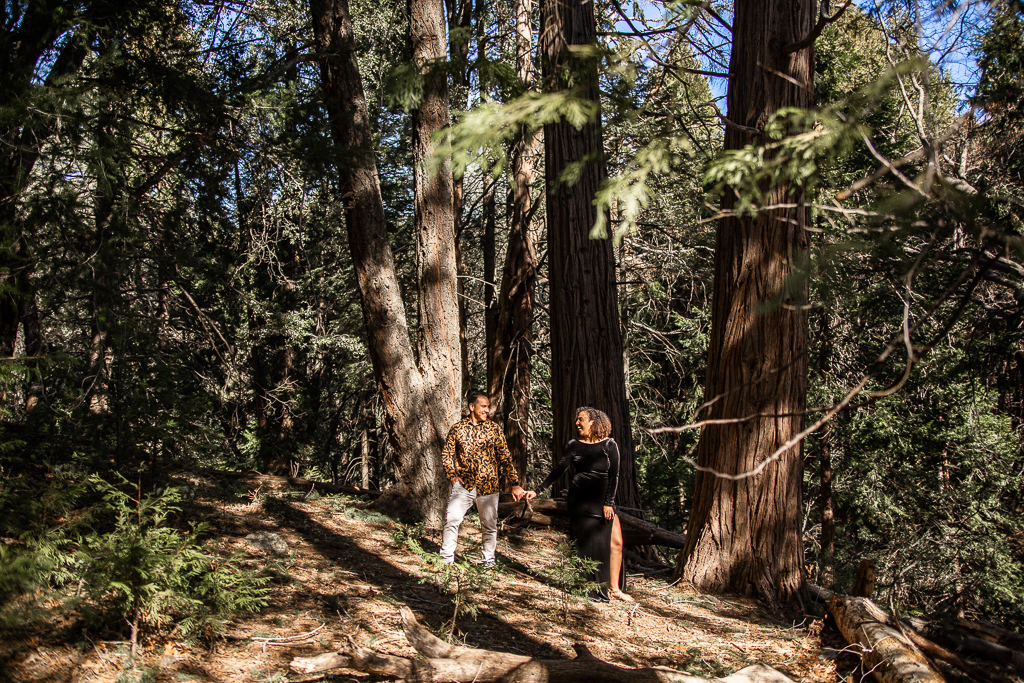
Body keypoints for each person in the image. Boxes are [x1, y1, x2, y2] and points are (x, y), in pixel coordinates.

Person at [525, 407, 633, 602]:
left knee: (616, 542)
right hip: (579, 501)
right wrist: (538, 490)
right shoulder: (574, 445)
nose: (577, 423)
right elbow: (558, 470)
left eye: (580, 419)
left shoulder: (609, 445)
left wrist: (609, 503)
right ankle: (590, 588)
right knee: (585, 545)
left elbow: (614, 476)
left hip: (603, 503)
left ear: (592, 422)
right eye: (576, 419)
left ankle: (614, 588)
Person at [440, 391, 526, 566]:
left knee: (489, 525)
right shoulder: (457, 429)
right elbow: (447, 454)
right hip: (464, 486)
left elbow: (505, 457)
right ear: (472, 407)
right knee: (452, 519)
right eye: (483, 406)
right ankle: (445, 559)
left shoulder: (494, 429)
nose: (487, 410)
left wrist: (514, 483)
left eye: (488, 407)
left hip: (489, 486)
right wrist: (452, 476)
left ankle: (488, 561)